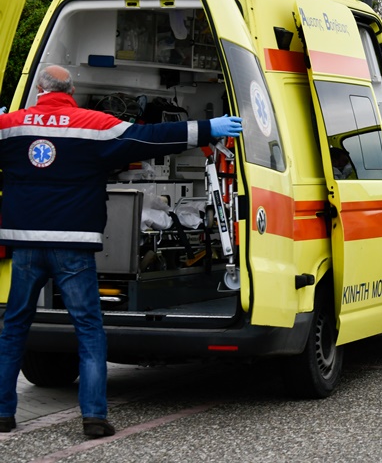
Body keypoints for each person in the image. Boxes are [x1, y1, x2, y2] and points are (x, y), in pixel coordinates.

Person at [0, 65, 243, 437]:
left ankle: (3, 414)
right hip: (74, 247)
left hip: (25, 245)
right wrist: (207, 129)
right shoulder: (95, 124)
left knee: (14, 327)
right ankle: (94, 417)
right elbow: (151, 137)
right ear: (72, 88)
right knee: (89, 330)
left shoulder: (12, 126)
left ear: (40, 90)